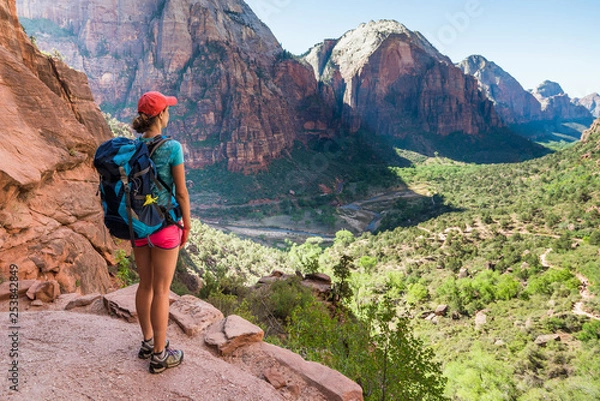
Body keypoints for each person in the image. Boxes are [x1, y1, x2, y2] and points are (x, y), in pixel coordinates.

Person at [131, 91, 191, 374]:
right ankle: (160, 355)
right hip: (165, 227)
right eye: (168, 108)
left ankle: (146, 342)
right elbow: (181, 192)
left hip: (139, 225)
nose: (170, 113)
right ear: (160, 115)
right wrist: (187, 224)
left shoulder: (132, 147)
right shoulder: (173, 147)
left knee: (145, 285)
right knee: (162, 291)